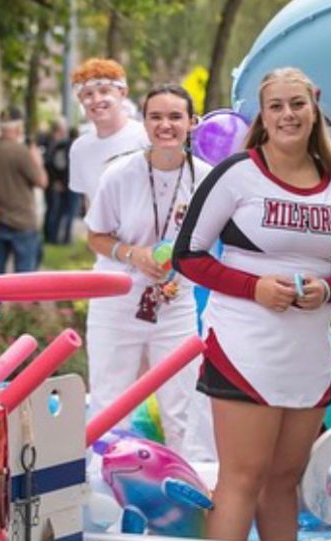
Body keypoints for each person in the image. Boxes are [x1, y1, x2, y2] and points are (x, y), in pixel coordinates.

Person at [172, 68, 331, 541]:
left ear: (314, 105)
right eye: (276, 106)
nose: (288, 115)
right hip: (245, 345)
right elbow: (188, 255)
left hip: (307, 352)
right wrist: (255, 287)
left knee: (285, 482)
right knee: (242, 479)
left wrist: (326, 291)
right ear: (262, 115)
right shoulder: (236, 174)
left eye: (297, 104)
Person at [84, 85, 215, 461]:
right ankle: (106, 487)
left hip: (175, 303)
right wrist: (132, 253)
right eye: (156, 116)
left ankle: (187, 489)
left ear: (192, 123)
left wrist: (184, 261)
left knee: (182, 406)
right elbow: (95, 235)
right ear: (144, 123)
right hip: (118, 299)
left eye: (175, 117)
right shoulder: (119, 174)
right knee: (112, 403)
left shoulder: (206, 178)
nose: (165, 125)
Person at [68, 58, 150, 213]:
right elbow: (89, 201)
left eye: (104, 91)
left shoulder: (146, 138)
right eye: (88, 94)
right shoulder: (79, 148)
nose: (96, 100)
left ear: (123, 93)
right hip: (103, 236)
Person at [0, 106, 47, 274]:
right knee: (24, 274)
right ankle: (23, 301)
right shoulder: (21, 152)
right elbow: (42, 182)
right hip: (21, 220)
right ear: (18, 127)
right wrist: (37, 161)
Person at [43, 118, 80, 244]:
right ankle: (62, 238)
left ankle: (56, 237)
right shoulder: (61, 146)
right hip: (65, 183)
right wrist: (60, 182)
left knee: (58, 212)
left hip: (62, 183)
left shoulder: (58, 145)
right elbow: (58, 165)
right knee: (64, 212)